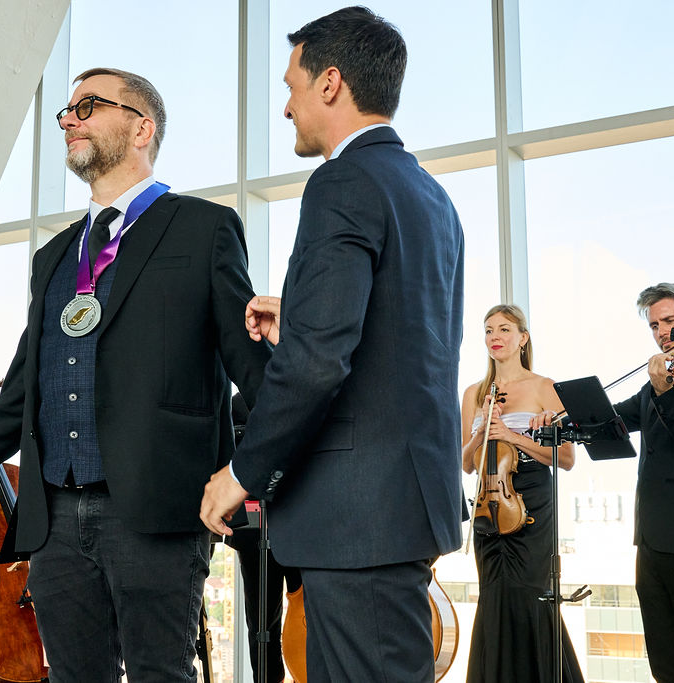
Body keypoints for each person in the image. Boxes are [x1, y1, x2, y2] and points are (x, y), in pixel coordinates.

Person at [0, 67, 270, 682]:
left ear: (141, 128)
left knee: (161, 673)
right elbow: (24, 391)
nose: (69, 119)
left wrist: (254, 468)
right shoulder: (54, 256)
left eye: (88, 106)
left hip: (156, 507)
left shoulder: (204, 229)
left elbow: (253, 370)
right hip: (56, 521)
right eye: (66, 110)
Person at [200, 8, 465, 681]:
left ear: (331, 83)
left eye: (291, 85)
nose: (285, 106)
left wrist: (241, 472)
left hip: (356, 514)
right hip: (401, 500)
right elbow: (405, 339)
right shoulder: (428, 194)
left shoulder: (342, 183)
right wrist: (305, 318)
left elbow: (319, 365)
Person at [535, 282, 674, 682]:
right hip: (652, 542)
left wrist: (666, 394)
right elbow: (613, 418)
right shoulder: (658, 383)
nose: (662, 332)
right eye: (654, 325)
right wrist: (562, 419)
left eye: (670, 321)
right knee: (664, 664)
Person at [460, 305, 584, 683]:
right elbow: (466, 462)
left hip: (530, 497)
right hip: (488, 503)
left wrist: (512, 436)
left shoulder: (544, 387)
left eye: (504, 329)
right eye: (488, 330)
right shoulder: (474, 393)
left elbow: (565, 458)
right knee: (494, 596)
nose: (494, 336)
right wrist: (483, 429)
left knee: (530, 593)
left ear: (522, 338)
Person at [224, 393, 303, 683]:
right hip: (254, 530)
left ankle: (305, 672)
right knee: (261, 623)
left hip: (300, 526)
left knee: (307, 614)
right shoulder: (236, 405)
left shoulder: (301, 394)